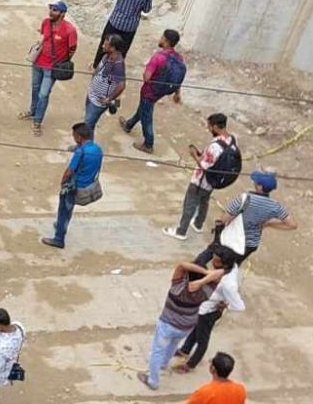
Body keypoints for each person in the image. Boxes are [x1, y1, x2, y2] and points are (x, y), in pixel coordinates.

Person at [141, 253, 226, 390]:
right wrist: (204, 279)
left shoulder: (177, 287)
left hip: (167, 324)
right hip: (186, 327)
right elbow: (220, 273)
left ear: (187, 275)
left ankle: (153, 381)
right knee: (173, 344)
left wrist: (204, 272)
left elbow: (181, 265)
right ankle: (164, 364)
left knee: (157, 350)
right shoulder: (205, 292)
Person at [166, 113, 237, 241]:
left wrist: (194, 155)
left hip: (200, 181)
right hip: (213, 181)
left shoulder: (215, 147)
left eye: (209, 126)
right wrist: (201, 153)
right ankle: (198, 224)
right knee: (204, 202)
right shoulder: (230, 140)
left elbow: (204, 166)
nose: (208, 129)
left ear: (215, 127)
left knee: (190, 204)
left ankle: (181, 231)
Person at [121, 28, 185, 154]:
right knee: (144, 109)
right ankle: (129, 124)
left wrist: (146, 73)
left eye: (162, 37)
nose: (160, 39)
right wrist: (177, 93)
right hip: (162, 91)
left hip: (149, 91)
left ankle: (148, 143)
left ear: (166, 41)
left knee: (147, 116)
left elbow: (147, 77)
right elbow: (177, 78)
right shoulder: (179, 58)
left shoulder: (158, 57)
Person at [42, 121, 102, 249]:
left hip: (74, 186)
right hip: (88, 184)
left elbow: (70, 170)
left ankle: (59, 238)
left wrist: (63, 182)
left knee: (64, 210)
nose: (73, 138)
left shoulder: (81, 152)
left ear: (79, 137)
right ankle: (60, 226)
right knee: (68, 210)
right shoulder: (97, 149)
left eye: (74, 135)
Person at [173, 258, 240, 372]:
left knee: (202, 340)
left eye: (217, 261)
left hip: (208, 313)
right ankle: (185, 350)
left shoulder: (226, 284)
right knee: (196, 329)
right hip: (202, 309)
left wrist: (225, 305)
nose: (213, 262)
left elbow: (235, 303)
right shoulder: (224, 272)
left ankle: (190, 364)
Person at [22, 1, 79, 135]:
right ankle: (33, 110)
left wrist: (64, 61)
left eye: (55, 10)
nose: (51, 12)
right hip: (38, 63)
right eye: (51, 9)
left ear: (62, 14)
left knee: (43, 94)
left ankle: (37, 121)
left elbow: (72, 48)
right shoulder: (46, 22)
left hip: (52, 67)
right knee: (35, 88)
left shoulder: (69, 30)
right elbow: (44, 37)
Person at [217, 171, 294, 263]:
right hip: (250, 244)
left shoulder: (244, 198)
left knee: (220, 263)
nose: (254, 182)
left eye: (256, 181)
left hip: (233, 238)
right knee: (234, 265)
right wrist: (269, 224)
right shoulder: (275, 206)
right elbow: (292, 225)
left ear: (260, 187)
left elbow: (224, 219)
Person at [98, 0, 155, 68]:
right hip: (130, 27)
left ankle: (97, 66)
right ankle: (113, 69)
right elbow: (146, 10)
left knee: (105, 45)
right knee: (121, 50)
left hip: (115, 22)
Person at [85, 33, 127, 130]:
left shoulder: (118, 64)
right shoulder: (106, 56)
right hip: (91, 95)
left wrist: (109, 99)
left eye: (106, 44)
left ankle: (85, 145)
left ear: (112, 48)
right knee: (88, 125)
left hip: (98, 102)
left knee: (87, 127)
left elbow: (121, 85)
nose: (102, 46)